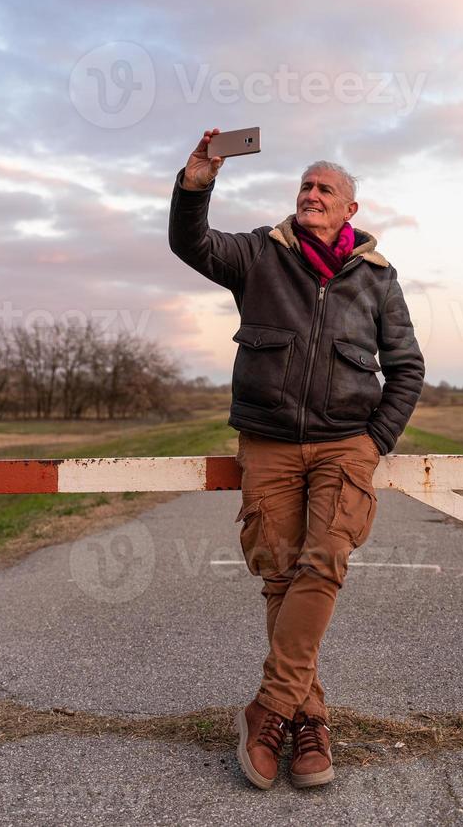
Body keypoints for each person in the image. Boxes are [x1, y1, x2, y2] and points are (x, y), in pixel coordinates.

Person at [168, 128, 425, 790]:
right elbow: (190, 243)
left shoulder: (377, 277)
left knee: (325, 560)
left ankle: (269, 710)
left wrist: (374, 442)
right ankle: (310, 719)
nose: (311, 195)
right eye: (306, 187)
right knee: (280, 573)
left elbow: (406, 369)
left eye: (325, 190)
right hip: (269, 441)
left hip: (347, 442)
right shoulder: (259, 253)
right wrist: (198, 180)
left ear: (349, 210)